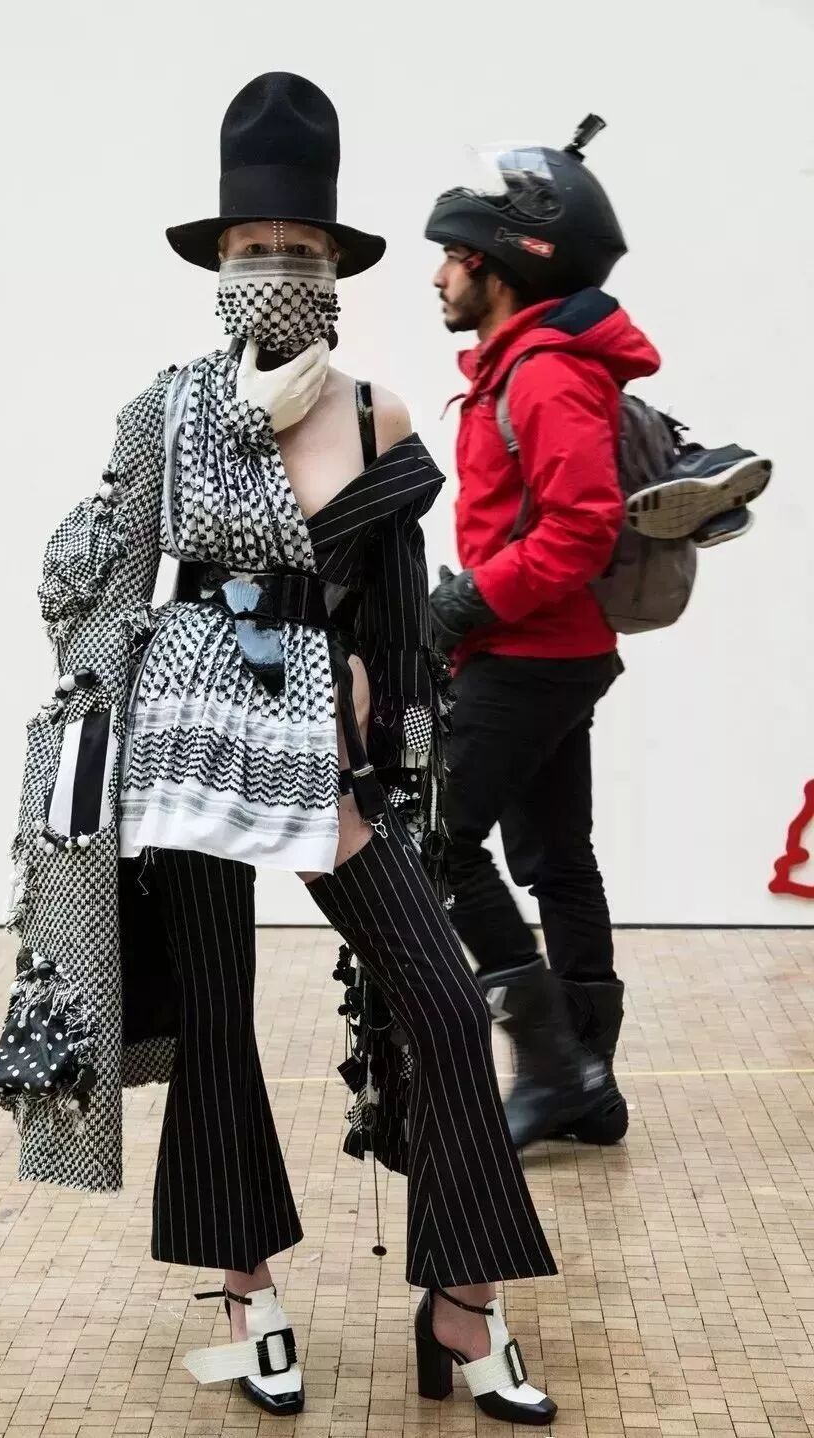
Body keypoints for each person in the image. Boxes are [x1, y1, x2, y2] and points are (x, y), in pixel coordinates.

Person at [0, 74, 558, 1425]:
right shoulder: (168, 410)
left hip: (318, 745)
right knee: (217, 1014)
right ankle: (247, 1291)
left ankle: (462, 1296)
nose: (274, 271)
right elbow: (90, 578)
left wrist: (389, 730)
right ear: (217, 262)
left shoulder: (376, 416)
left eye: (298, 250)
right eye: (252, 249)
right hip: (185, 744)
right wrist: (92, 711)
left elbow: (396, 618)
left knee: (438, 989)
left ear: (336, 267)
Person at [425, 125, 659, 1150]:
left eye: (453, 256)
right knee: (557, 856)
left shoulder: (546, 374)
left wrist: (467, 602)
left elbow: (580, 528)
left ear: (499, 265)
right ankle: (589, 1088)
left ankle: (556, 1066)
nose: (438, 277)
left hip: (528, 652)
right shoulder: (519, 366)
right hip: (548, 646)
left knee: (433, 839)